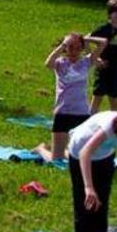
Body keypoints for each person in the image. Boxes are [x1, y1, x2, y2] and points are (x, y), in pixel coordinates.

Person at [33, 33, 106, 163]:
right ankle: (41, 149)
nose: (74, 51)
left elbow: (103, 42)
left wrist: (85, 39)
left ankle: (69, 151)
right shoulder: (60, 63)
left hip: (81, 113)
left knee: (83, 155)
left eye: (78, 48)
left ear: (82, 49)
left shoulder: (87, 62)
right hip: (62, 112)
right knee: (56, 159)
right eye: (70, 47)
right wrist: (62, 46)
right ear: (65, 48)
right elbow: (47, 64)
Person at [89, 0, 117, 112]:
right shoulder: (103, 29)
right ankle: (89, 119)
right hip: (103, 67)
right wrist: (95, 58)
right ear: (110, 13)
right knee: (98, 95)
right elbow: (86, 40)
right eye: (116, 12)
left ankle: (114, 123)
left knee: (114, 98)